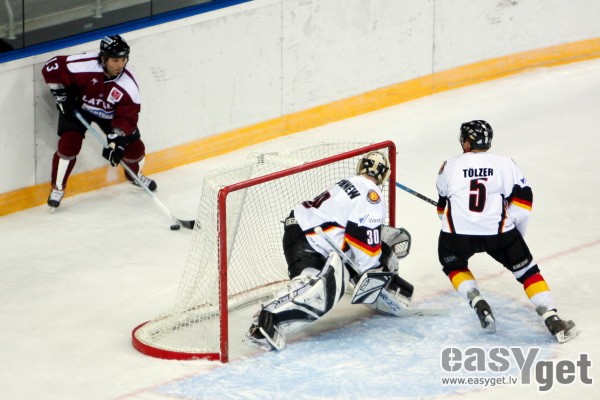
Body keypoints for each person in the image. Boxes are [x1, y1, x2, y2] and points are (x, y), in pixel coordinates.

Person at [244, 151, 414, 351]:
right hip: (311, 240)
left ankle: (270, 318)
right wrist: (373, 269)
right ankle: (266, 320)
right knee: (323, 290)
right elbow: (360, 235)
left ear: (361, 166)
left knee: (316, 281)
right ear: (384, 175)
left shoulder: (348, 182)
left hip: (299, 233)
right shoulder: (372, 195)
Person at [435, 120, 577, 343]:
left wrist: (461, 220)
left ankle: (477, 302)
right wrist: (514, 236)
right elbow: (523, 203)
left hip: (457, 235)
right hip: (499, 234)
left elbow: (441, 208)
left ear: (467, 143)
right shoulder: (505, 164)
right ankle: (552, 318)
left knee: (454, 266)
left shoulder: (449, 165)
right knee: (527, 271)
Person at [42, 34, 156, 209]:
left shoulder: (128, 84)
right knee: (68, 144)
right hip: (79, 107)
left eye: (124, 59)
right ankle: (57, 188)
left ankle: (134, 176)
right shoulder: (84, 64)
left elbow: (127, 117)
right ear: (103, 58)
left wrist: (117, 142)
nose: (120, 65)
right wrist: (61, 95)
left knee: (135, 149)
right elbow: (51, 67)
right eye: (115, 60)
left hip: (110, 116)